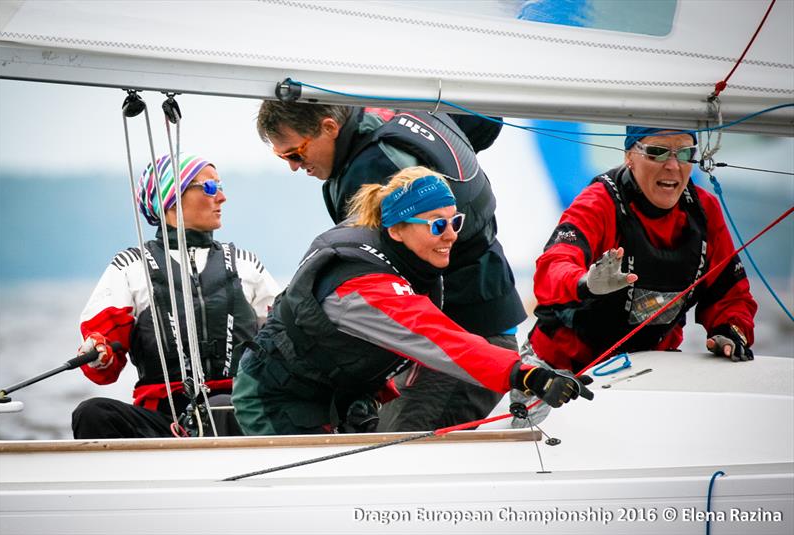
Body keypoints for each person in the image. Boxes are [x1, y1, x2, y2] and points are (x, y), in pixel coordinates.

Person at [232, 167, 593, 436]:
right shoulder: (363, 286)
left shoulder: (403, 260)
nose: (452, 235)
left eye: (456, 222)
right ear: (396, 229)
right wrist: (523, 373)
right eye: (437, 225)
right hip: (275, 398)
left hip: (330, 394)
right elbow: (439, 338)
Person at [255, 102, 526, 431]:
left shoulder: (372, 168)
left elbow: (380, 288)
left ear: (328, 128)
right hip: (469, 322)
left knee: (401, 456)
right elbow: (484, 120)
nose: (295, 167)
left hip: (461, 337)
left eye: (295, 154)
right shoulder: (399, 111)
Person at [72, 153, 281, 439]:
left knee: (221, 406)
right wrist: (98, 352)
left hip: (237, 411)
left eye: (221, 187)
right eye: (209, 188)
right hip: (163, 421)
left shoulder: (247, 265)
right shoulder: (130, 268)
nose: (221, 197)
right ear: (171, 199)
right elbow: (103, 372)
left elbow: (284, 335)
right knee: (91, 413)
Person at [527, 125, 758, 375]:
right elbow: (552, 267)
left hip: (644, 371)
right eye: (657, 152)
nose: (672, 165)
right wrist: (584, 283)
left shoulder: (704, 211)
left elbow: (729, 294)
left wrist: (731, 329)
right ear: (629, 157)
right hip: (560, 369)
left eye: (684, 154)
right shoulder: (598, 203)